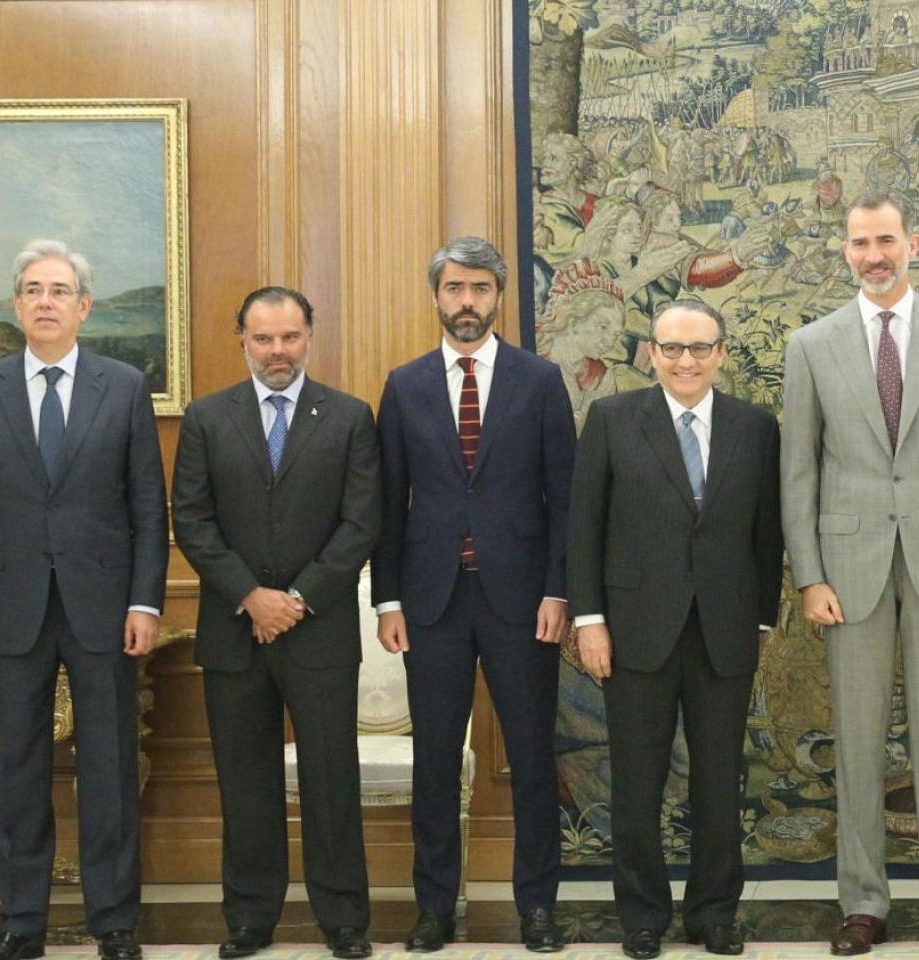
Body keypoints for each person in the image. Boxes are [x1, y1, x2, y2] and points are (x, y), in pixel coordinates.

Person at [780, 191, 919, 957]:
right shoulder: (811, 345)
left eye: (885, 240)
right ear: (845, 251)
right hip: (848, 566)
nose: (873, 254)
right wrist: (809, 574)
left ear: (913, 242)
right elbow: (797, 474)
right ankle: (863, 903)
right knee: (859, 737)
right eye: (859, 243)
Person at [372, 237, 577, 953]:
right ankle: (434, 909)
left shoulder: (541, 379)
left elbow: (565, 500)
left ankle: (538, 910)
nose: (467, 302)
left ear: (499, 296)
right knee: (434, 760)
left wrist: (560, 591)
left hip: (523, 602)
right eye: (455, 288)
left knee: (530, 757)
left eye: (481, 289)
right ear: (437, 296)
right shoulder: (403, 386)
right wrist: (388, 601)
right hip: (430, 604)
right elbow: (387, 504)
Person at [567, 299, 782, 959]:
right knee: (637, 782)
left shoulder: (755, 426)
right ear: (651, 354)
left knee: (720, 782)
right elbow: (585, 528)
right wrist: (590, 621)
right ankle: (642, 917)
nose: (685, 361)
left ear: (720, 353)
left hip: (724, 631)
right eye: (671, 348)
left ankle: (715, 914)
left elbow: (766, 531)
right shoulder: (610, 420)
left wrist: (763, 621)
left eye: (699, 348)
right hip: (634, 631)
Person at [171, 287, 380, 960]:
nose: (277, 351)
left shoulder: (349, 418)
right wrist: (250, 596)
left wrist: (296, 598)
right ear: (243, 341)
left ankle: (344, 920)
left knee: (331, 779)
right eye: (264, 339)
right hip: (234, 632)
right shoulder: (207, 418)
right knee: (246, 780)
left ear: (310, 336)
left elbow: (361, 524)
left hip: (318, 630)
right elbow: (192, 520)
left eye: (289, 336)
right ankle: (250, 918)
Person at [0, 240, 168, 960]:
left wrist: (146, 601)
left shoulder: (121, 387)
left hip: (104, 607)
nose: (46, 301)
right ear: (16, 305)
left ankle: (114, 923)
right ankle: (20, 922)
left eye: (60, 290)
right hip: (11, 606)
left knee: (109, 766)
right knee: (17, 767)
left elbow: (149, 505)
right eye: (33, 289)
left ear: (84, 306)